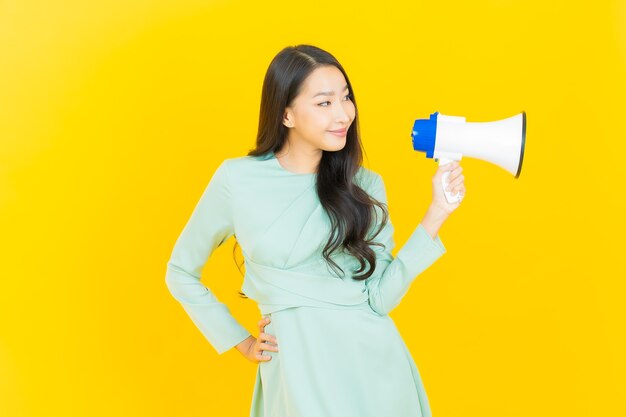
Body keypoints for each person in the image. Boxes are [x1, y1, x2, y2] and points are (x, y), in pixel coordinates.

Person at [165, 44, 466, 417]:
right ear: (286, 114)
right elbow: (180, 271)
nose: (343, 114)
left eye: (346, 98)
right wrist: (239, 341)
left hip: (373, 368)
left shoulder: (365, 185)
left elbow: (380, 299)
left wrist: (437, 212)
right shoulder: (238, 179)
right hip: (295, 372)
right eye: (324, 103)